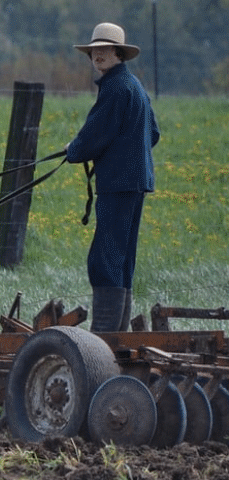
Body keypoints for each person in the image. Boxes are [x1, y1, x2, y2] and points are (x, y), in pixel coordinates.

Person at [65, 22, 160, 333]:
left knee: (105, 259)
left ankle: (105, 339)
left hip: (119, 183)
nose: (98, 55)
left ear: (119, 53)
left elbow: (94, 136)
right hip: (135, 182)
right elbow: (153, 133)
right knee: (121, 259)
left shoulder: (116, 88)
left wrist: (74, 149)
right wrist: (127, 149)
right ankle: (117, 335)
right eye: (95, 50)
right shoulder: (135, 87)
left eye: (105, 49)